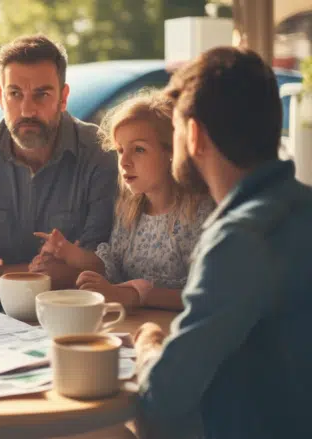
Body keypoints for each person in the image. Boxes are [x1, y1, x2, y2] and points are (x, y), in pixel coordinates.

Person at [133, 47, 312, 438]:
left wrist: (148, 346)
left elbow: (159, 406)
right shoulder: (302, 207)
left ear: (194, 135)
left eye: (176, 131)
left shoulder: (240, 238)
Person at [0, 34, 117, 293]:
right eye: (15, 94)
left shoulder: (100, 154)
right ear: (0, 96)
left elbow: (100, 266)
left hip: (69, 310)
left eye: (41, 95)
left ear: (63, 97)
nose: (27, 110)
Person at [30, 92, 213, 311]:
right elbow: (113, 268)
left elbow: (207, 295)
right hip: (131, 327)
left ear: (171, 152)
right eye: (120, 150)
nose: (124, 161)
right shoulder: (129, 211)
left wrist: (135, 295)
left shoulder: (198, 214)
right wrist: (68, 253)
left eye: (139, 149)